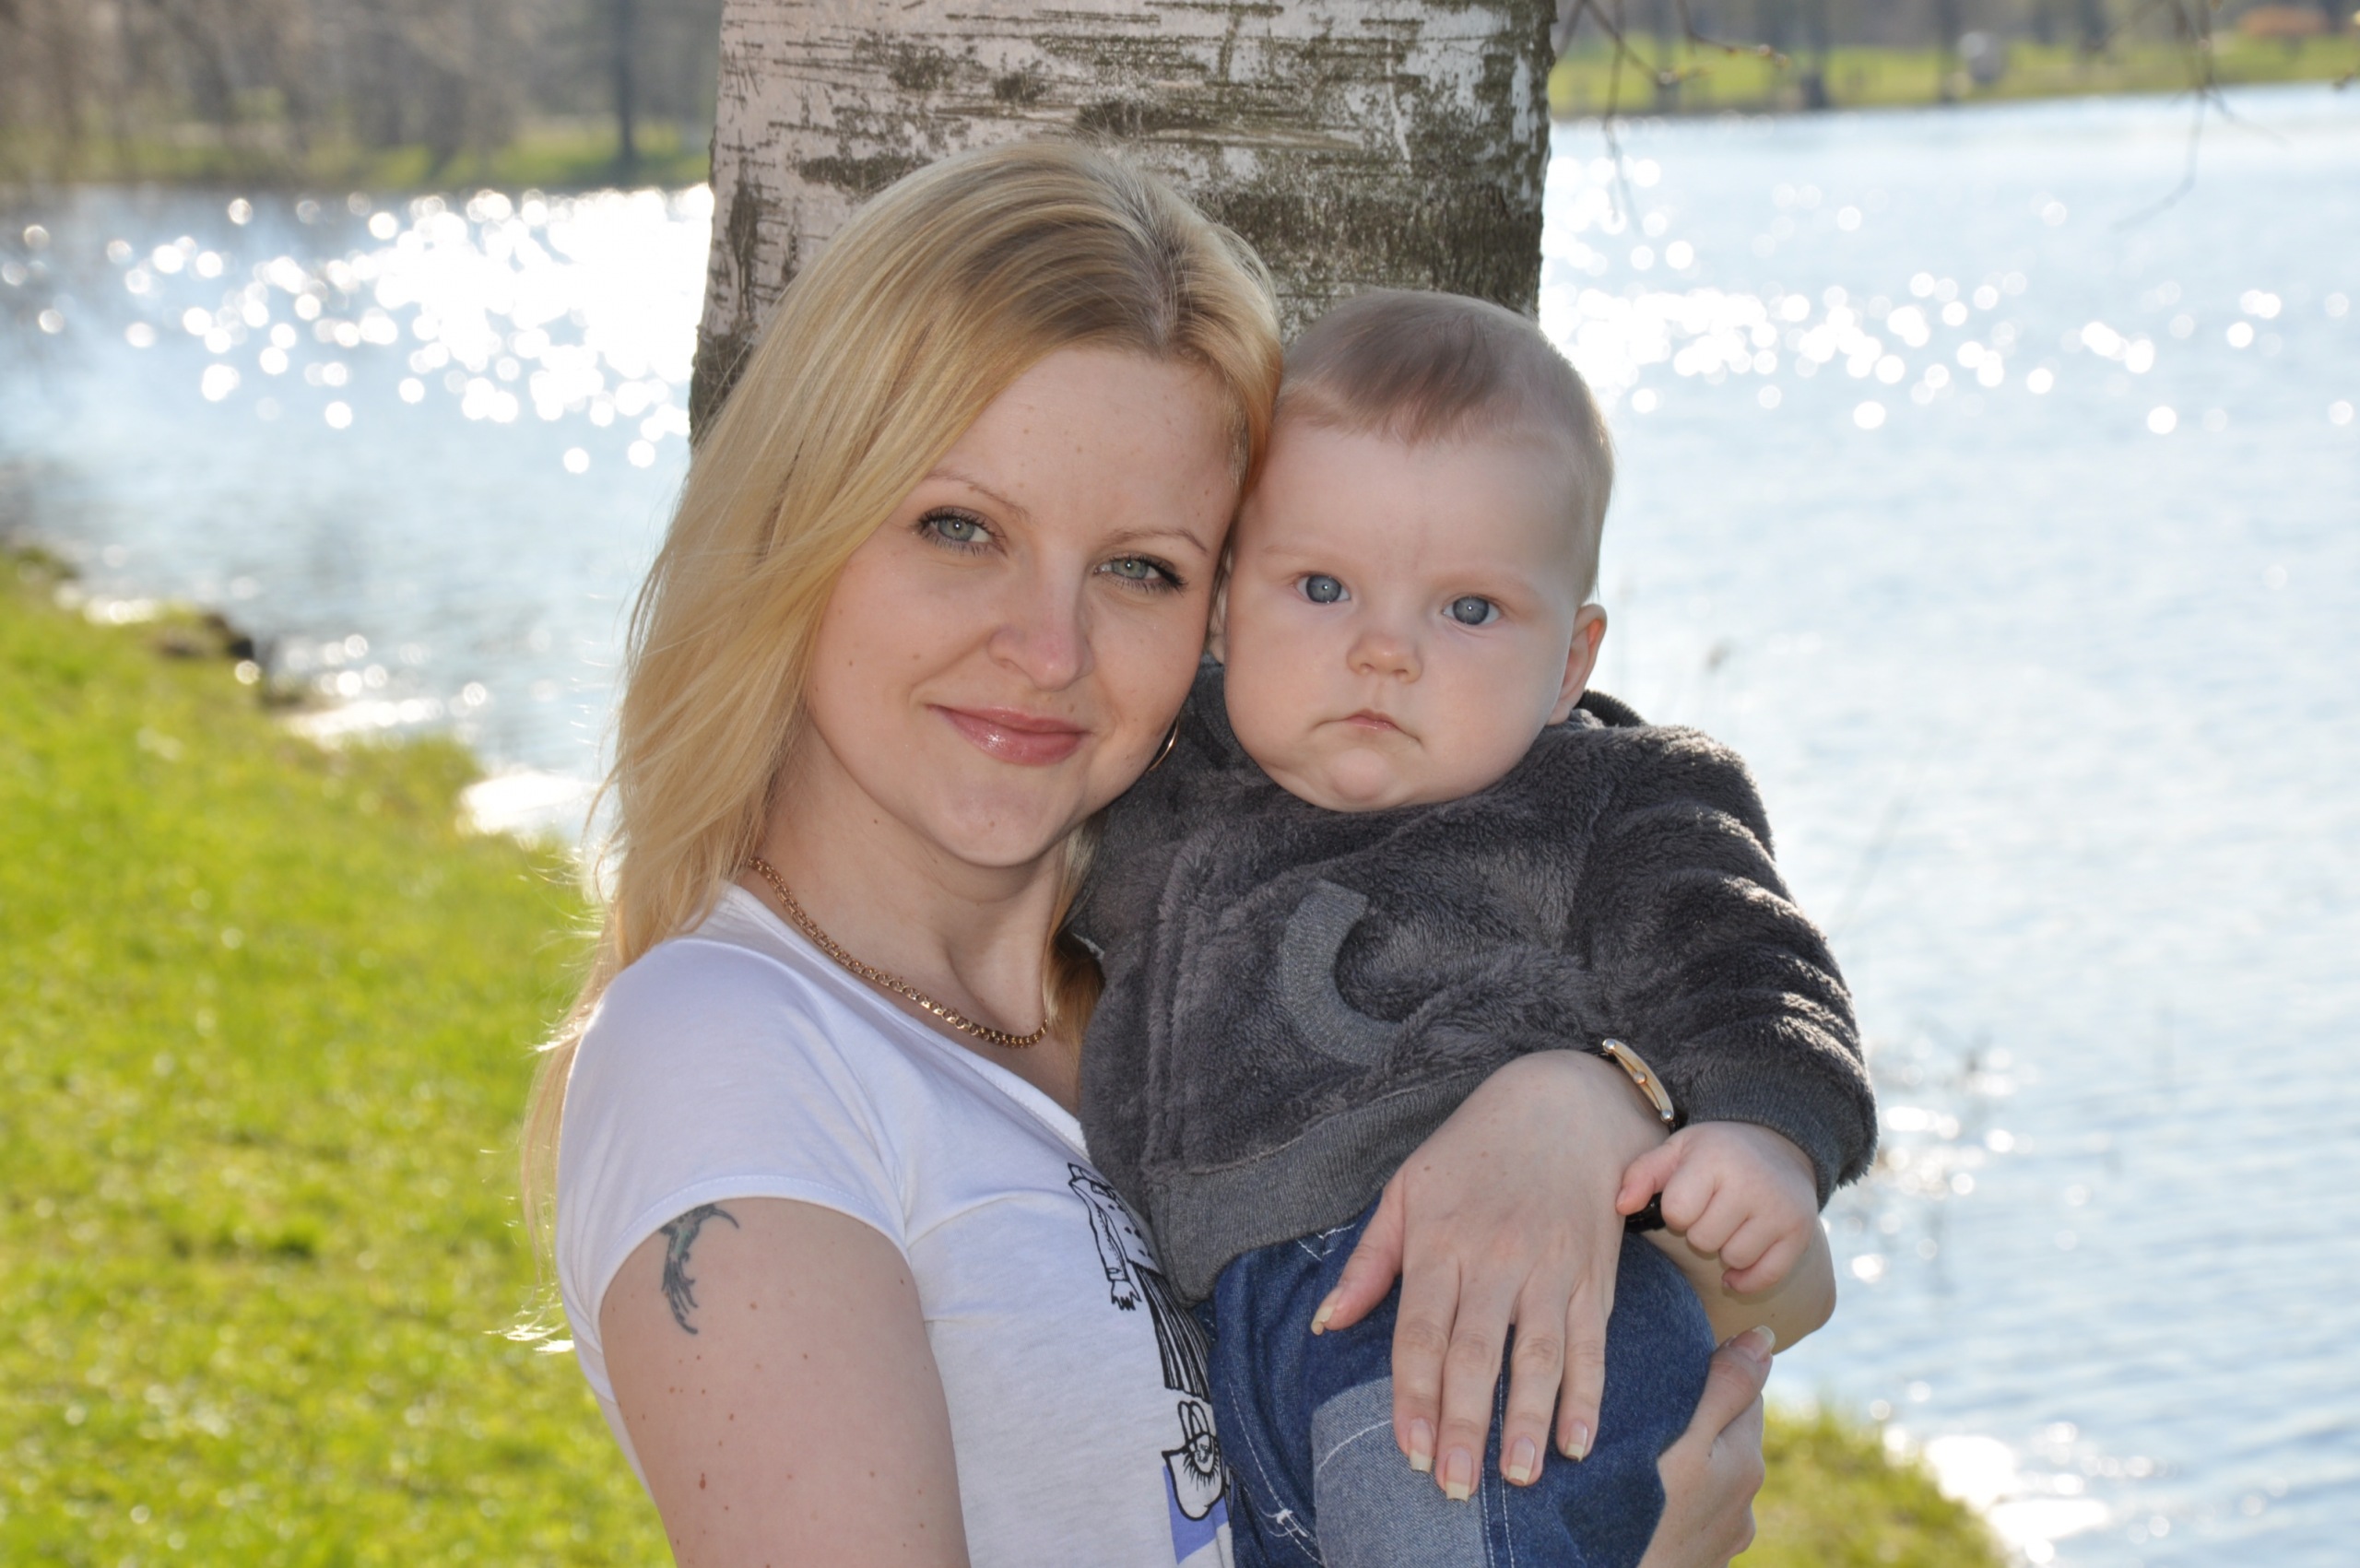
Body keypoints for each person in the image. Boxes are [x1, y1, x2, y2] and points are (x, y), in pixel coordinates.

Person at [532, 140, 1783, 1568]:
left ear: (1221, 615)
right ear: (798, 524)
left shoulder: (1177, 974)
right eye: (960, 527)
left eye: (1142, 567)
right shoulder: (727, 1048)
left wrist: (1586, 1104)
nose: (1047, 647)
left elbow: (1777, 1286)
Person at [1071, 290, 1873, 1566]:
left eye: (1469, 611)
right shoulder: (1163, 783)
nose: (1383, 651)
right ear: (1225, 608)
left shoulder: (1607, 802)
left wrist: (1767, 1134)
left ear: (1571, 662)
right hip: (1246, 1369)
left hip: (1489, 1339)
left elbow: (1753, 970)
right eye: (1322, 587)